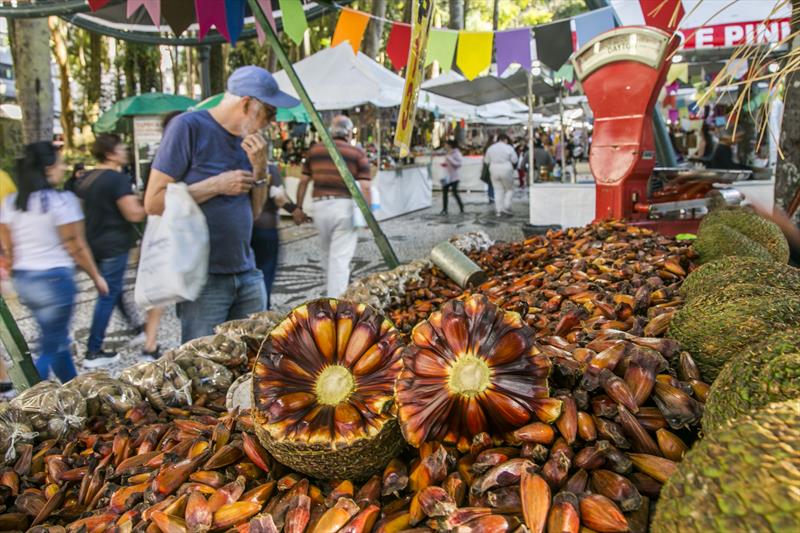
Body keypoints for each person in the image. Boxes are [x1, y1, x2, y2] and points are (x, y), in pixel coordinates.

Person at [145, 65, 299, 342]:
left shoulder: (249, 142)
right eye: (270, 113)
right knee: (204, 367)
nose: (271, 122)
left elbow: (252, 213)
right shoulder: (188, 127)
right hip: (204, 278)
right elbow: (153, 202)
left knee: (258, 358)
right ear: (247, 104)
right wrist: (214, 185)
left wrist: (260, 170)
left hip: (247, 270)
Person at [0, 142, 108, 382]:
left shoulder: (11, 204)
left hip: (26, 281)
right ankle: (29, 395)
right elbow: (75, 245)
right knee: (51, 345)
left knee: (57, 340)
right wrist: (96, 276)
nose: (64, 168)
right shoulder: (62, 201)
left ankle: (74, 388)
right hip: (55, 281)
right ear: (48, 169)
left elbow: (9, 247)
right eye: (61, 164)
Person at [76, 134, 147, 367]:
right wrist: (153, 202)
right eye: (120, 148)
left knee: (113, 290)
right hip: (114, 244)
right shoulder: (117, 180)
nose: (125, 151)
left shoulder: (87, 178)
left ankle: (137, 327)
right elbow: (134, 214)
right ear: (109, 153)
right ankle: (93, 351)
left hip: (94, 242)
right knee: (107, 294)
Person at [295, 115, 371, 297]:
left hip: (320, 208)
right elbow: (366, 187)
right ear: (348, 132)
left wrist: (298, 207)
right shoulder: (356, 153)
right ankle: (336, 304)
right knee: (340, 259)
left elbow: (303, 181)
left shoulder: (315, 150)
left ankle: (331, 296)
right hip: (344, 207)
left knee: (329, 256)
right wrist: (367, 215)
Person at [251, 163, 308, 309]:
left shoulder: (235, 165)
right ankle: (262, 310)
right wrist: (295, 210)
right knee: (265, 274)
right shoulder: (268, 168)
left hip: (243, 231)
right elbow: (278, 196)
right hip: (265, 229)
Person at [484, 134, 518, 217]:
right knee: (509, 189)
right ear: (505, 140)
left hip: (493, 168)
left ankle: (499, 210)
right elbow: (515, 160)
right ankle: (506, 206)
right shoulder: (508, 147)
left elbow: (486, 161)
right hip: (506, 168)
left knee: (497, 190)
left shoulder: (491, 148)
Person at [440, 139, 465, 215]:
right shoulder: (448, 153)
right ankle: (444, 209)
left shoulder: (456, 153)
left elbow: (459, 164)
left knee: (454, 193)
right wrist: (444, 164)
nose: (445, 146)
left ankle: (461, 207)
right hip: (446, 176)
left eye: (446, 144)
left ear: (450, 145)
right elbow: (448, 163)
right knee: (444, 193)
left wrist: (449, 159)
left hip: (454, 177)